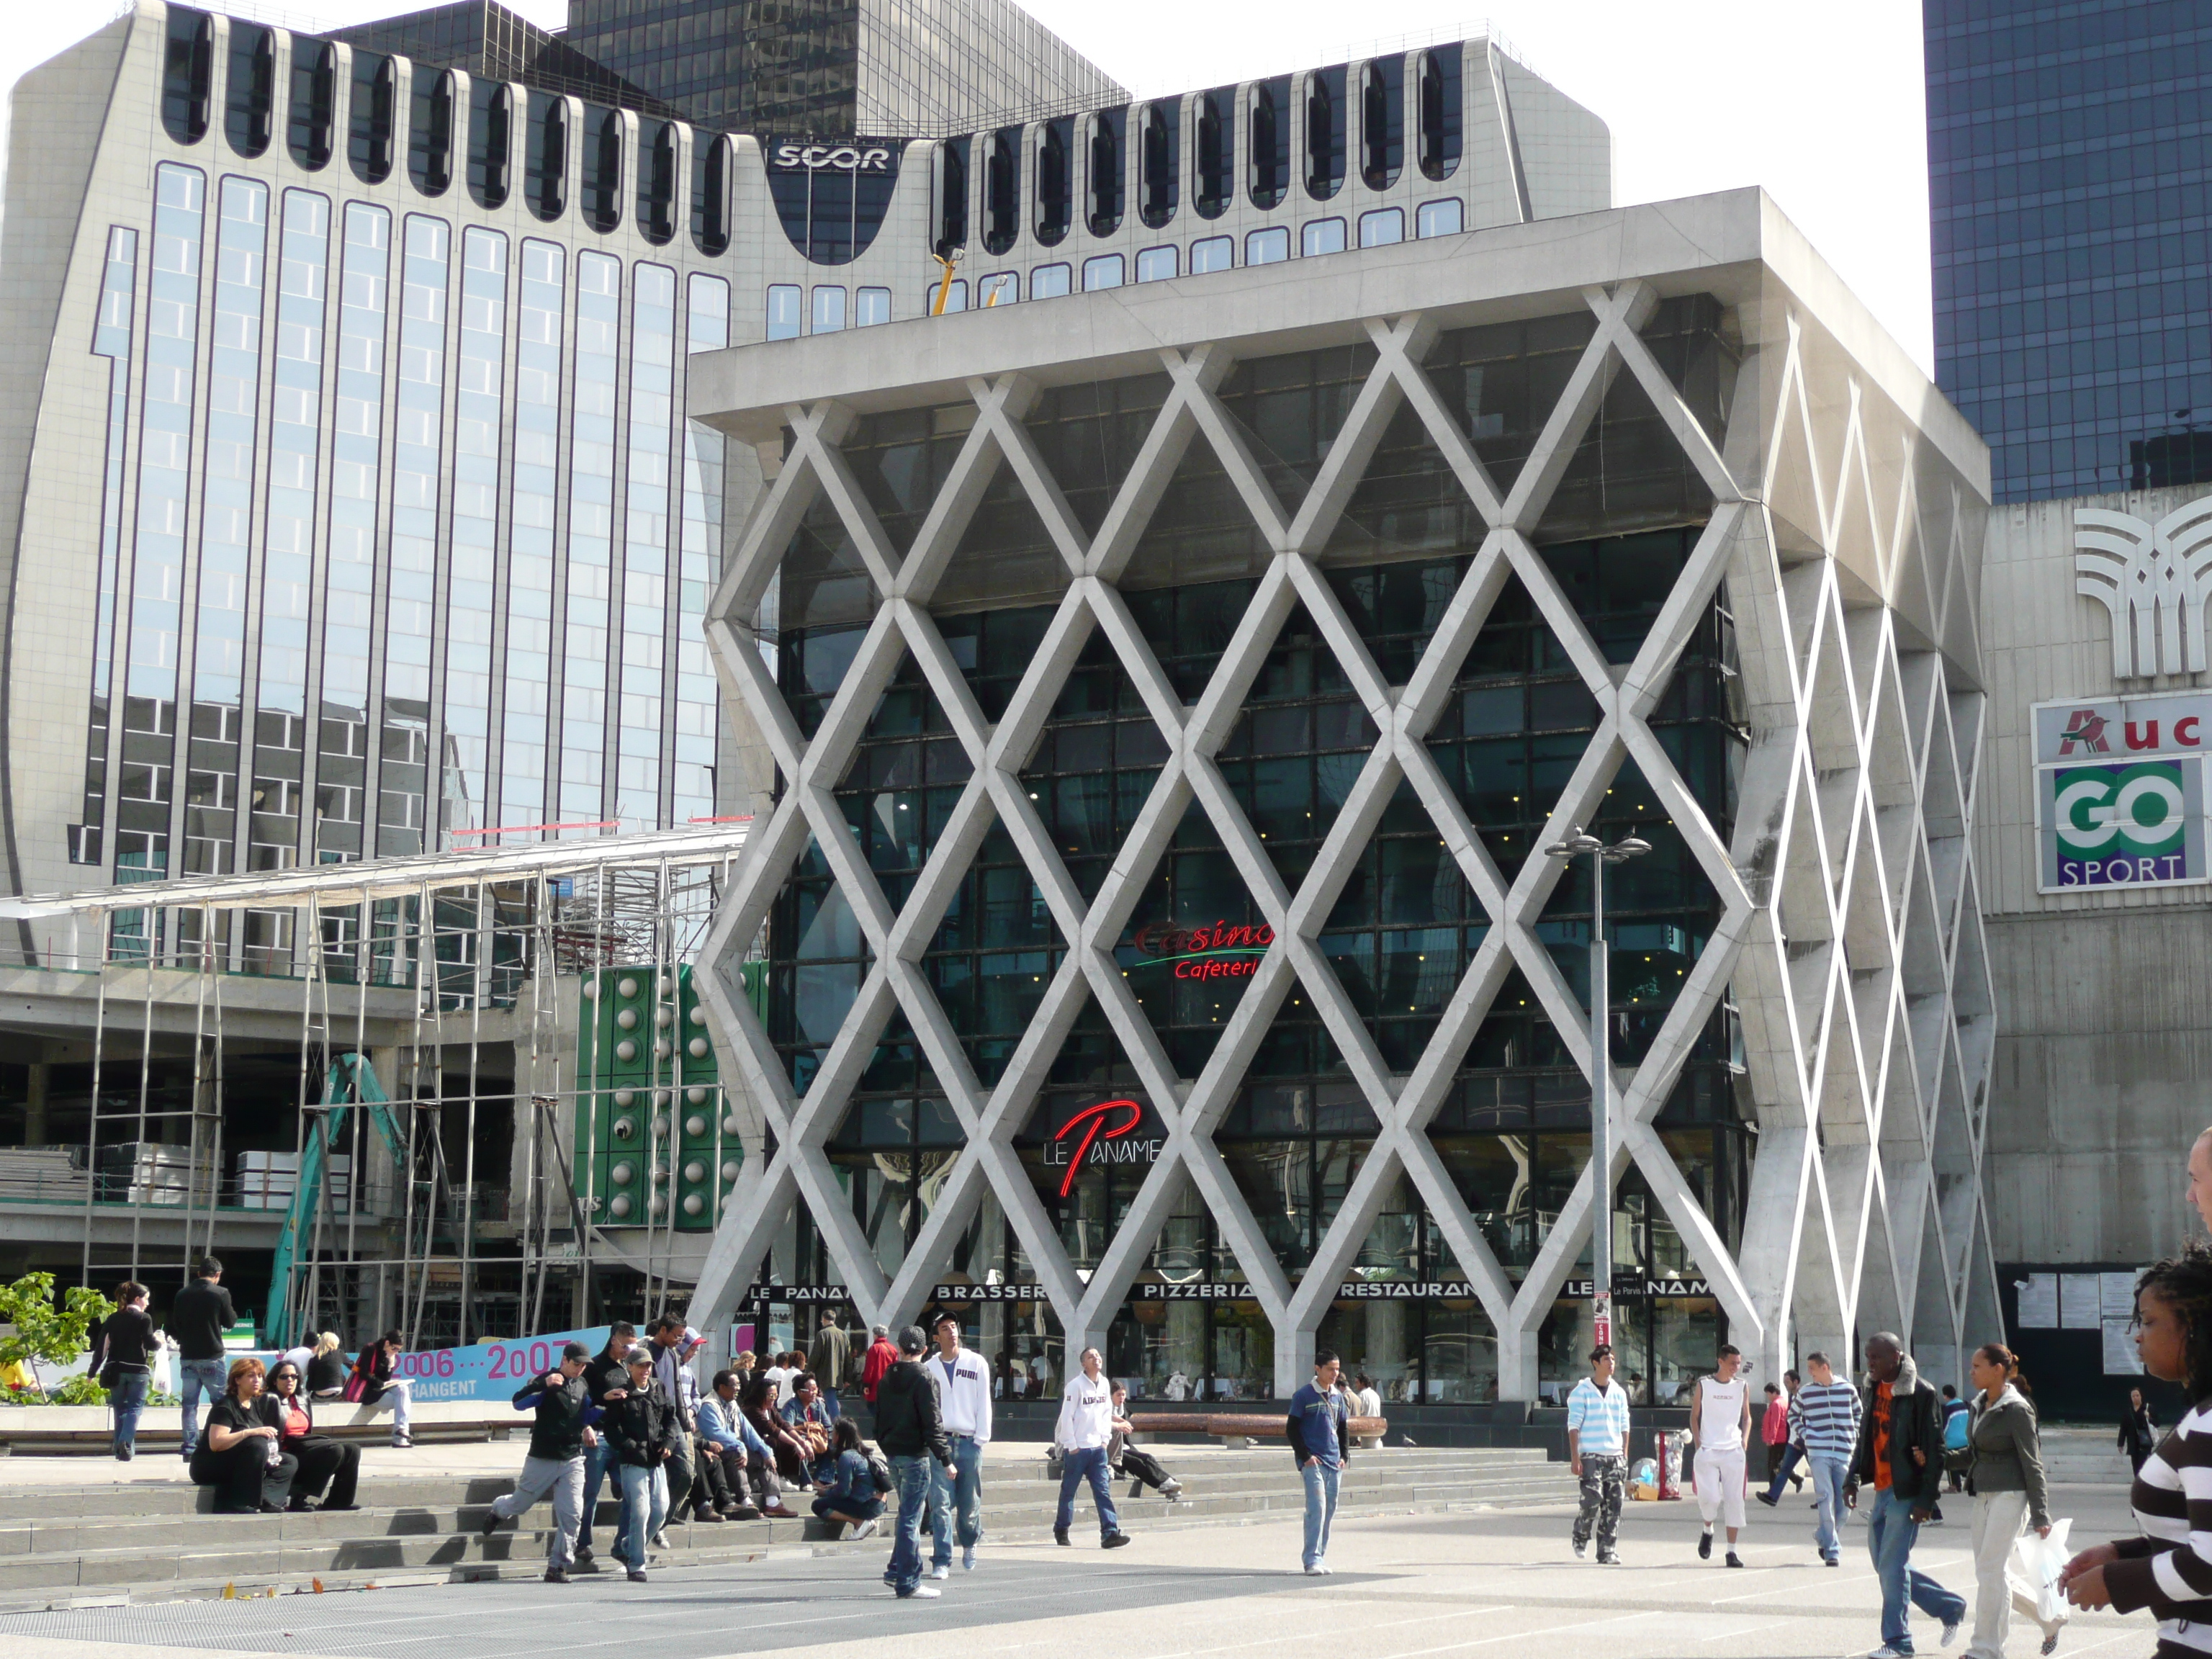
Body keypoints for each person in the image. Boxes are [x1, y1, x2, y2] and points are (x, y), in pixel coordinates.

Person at [2060, 1247, 2212, 1650]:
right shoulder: (2202, 1416)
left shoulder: (2208, 1425)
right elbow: (2196, 1532)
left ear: (2193, 1327)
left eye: (2148, 1321)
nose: (2137, 1334)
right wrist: (2122, 1553)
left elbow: (2210, 1562)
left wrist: (2116, 1582)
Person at [1845, 1331, 1966, 1658]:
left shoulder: (1920, 1392)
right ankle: (1950, 1607)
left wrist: (1927, 1500)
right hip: (1882, 1490)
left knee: (1893, 1566)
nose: (1870, 1363)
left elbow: (1936, 1449)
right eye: (1867, 1357)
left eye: (1877, 1357)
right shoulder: (1871, 1387)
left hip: (1907, 1492)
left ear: (1897, 1356)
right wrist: (1852, 1478)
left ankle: (1899, 1642)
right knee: (1887, 1565)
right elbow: (1865, 1437)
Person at [1961, 1341, 2063, 1659]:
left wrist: (2041, 1514)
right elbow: (1974, 1452)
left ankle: (1986, 1649)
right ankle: (2050, 1617)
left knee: (1991, 1570)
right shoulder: (1979, 1404)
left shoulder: (2017, 1409)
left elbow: (2033, 1463)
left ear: (1998, 1370)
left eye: (1978, 1366)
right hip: (1984, 1494)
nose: (1972, 1371)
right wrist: (1936, 1459)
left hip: (2011, 1495)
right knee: (1990, 1571)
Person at [481, 1341, 598, 1581]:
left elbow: (584, 1413)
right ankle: (498, 1510)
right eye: (576, 1364)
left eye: (584, 1365)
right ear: (564, 1360)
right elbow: (518, 1403)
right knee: (519, 1504)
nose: (580, 1369)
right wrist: (540, 1384)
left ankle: (558, 1566)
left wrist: (588, 1425)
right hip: (543, 1456)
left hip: (572, 1458)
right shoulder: (547, 1381)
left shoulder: (583, 1385)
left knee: (573, 1513)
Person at [874, 1323, 953, 1599]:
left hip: (893, 1452)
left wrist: (885, 1443)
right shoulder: (925, 1377)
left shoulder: (888, 1376)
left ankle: (897, 1569)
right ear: (924, 1349)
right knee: (911, 1517)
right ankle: (908, 1581)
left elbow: (878, 1415)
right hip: (914, 1454)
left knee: (906, 1513)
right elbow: (933, 1422)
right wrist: (946, 1458)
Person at [605, 1346, 681, 1583]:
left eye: (648, 1365)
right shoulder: (621, 1394)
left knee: (660, 1510)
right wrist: (629, 1445)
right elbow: (611, 1429)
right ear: (629, 1367)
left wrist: (669, 1441)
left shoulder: (659, 1388)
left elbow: (671, 1419)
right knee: (640, 1511)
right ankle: (637, 1564)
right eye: (640, 1366)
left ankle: (630, 1544)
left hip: (656, 1460)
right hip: (632, 1462)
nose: (645, 1370)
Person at [926, 1313, 993, 1577]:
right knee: (940, 1503)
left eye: (954, 1327)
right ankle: (941, 1559)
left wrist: (980, 1439)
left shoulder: (976, 1362)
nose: (952, 1332)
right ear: (936, 1337)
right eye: (945, 1328)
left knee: (968, 1503)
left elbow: (983, 1401)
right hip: (941, 1442)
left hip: (969, 1442)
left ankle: (970, 1541)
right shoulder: (929, 1366)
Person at [189, 1357, 296, 1514]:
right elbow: (216, 1443)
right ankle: (239, 1502)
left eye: (260, 1376)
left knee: (288, 1461)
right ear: (237, 1380)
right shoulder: (225, 1406)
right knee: (257, 1445)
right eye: (251, 1376)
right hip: (209, 1465)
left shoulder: (254, 1404)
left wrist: (272, 1455)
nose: (257, 1380)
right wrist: (249, 1432)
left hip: (240, 1461)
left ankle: (266, 1499)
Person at [572, 1321, 637, 1568]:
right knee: (589, 1492)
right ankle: (582, 1543)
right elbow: (579, 1401)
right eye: (624, 1346)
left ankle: (621, 1544)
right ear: (613, 1341)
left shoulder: (628, 1368)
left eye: (632, 1346)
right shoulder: (594, 1367)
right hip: (597, 1436)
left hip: (620, 1438)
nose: (627, 1351)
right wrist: (586, 1425)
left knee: (631, 1492)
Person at [1053, 1346, 1132, 1550]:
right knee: (1069, 1491)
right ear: (1083, 1363)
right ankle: (1061, 1529)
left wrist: (1105, 1439)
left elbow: (1107, 1413)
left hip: (1098, 1449)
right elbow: (1067, 1417)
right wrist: (1071, 1445)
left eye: (1098, 1355)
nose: (1096, 1359)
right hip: (1078, 1449)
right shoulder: (1075, 1386)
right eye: (1091, 1357)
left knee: (1103, 1491)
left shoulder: (1105, 1384)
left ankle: (1110, 1533)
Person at [1797, 1350, 1863, 1567]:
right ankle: (1833, 1550)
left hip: (1844, 1452)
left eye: (1812, 1369)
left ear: (1825, 1367)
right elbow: (1792, 1415)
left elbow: (1859, 1414)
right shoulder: (1806, 1392)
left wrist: (1854, 1435)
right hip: (1818, 1453)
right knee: (1825, 1498)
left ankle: (1823, 1536)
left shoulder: (1847, 1389)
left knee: (1846, 1503)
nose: (1809, 1373)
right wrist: (1807, 1435)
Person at [266, 1358, 360, 1513]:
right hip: (285, 1451)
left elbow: (308, 1433)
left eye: (294, 1376)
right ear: (275, 1381)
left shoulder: (302, 1400)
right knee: (334, 1450)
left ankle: (339, 1501)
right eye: (284, 1377)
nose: (289, 1380)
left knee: (352, 1449)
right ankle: (300, 1498)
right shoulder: (270, 1400)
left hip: (304, 1447)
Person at [1567, 1341, 1631, 1565]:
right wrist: (1576, 1458)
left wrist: (1624, 1453)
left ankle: (1607, 1551)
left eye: (1613, 1360)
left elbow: (1625, 1424)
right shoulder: (1581, 1392)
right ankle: (1580, 1535)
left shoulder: (1619, 1393)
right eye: (1606, 1360)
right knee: (1592, 1499)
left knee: (1614, 1505)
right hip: (1591, 1455)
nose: (1611, 1363)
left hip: (1615, 1456)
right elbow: (1573, 1426)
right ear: (1596, 1363)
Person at [1688, 1344, 1752, 1568]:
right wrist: (1699, 1444)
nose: (1737, 1367)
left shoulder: (1742, 1386)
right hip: (1708, 1450)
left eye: (1739, 1363)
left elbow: (1747, 1417)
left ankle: (1731, 1551)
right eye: (1733, 1362)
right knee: (1711, 1499)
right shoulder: (1704, 1385)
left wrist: (1744, 1441)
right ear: (1721, 1361)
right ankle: (1708, 1529)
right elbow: (1694, 1416)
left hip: (1734, 1451)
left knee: (1735, 1500)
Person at [1288, 1348, 1351, 1575]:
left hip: (1335, 1462)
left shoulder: (1338, 1396)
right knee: (1317, 1508)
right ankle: (1311, 1559)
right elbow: (1292, 1428)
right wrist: (1305, 1457)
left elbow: (1343, 1427)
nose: (1335, 1374)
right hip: (1313, 1461)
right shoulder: (1304, 1395)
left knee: (1330, 1509)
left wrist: (1344, 1456)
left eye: (1337, 1369)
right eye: (1330, 1369)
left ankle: (1321, 1556)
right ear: (1318, 1369)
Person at [696, 1367, 788, 1518]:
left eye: (739, 1385)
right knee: (736, 1455)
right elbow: (716, 1435)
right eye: (735, 1385)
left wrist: (766, 1451)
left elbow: (749, 1432)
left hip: (736, 1449)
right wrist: (740, 1447)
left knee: (764, 1454)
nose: (738, 1388)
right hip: (715, 1452)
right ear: (722, 1387)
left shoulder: (733, 1405)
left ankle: (772, 1503)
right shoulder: (708, 1405)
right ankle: (745, 1500)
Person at [172, 1255, 235, 1460]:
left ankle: (190, 1447)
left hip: (188, 1356)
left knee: (189, 1405)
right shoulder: (221, 1293)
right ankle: (218, 1442)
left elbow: (177, 1324)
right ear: (217, 1275)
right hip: (212, 1355)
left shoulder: (182, 1294)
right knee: (221, 1404)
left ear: (198, 1274)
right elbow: (231, 1322)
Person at [87, 1280, 155, 1460]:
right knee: (135, 1408)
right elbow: (150, 1343)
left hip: (115, 1370)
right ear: (138, 1299)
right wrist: (159, 1342)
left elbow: (102, 1347)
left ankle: (123, 1451)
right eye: (146, 1299)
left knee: (120, 1410)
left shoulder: (113, 1318)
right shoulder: (144, 1319)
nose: (148, 1303)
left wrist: (92, 1372)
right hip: (138, 1371)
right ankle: (125, 1442)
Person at [645, 1318, 701, 1529]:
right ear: (662, 1330)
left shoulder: (673, 1355)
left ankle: (661, 1522)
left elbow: (677, 1389)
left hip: (674, 1421)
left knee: (686, 1473)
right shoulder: (646, 1352)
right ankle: (651, 1523)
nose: (680, 1340)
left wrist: (684, 1420)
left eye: (682, 1336)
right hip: (651, 1422)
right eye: (677, 1335)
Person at [811, 1417, 884, 1539]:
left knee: (818, 1505)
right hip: (878, 1502)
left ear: (840, 1436)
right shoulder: (861, 1453)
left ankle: (859, 1523)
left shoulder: (847, 1457)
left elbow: (843, 1492)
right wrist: (834, 1486)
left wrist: (826, 1492)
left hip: (868, 1505)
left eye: (834, 1432)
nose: (832, 1436)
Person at [1109, 1382, 1183, 1500]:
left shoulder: (1124, 1412)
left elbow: (1126, 1440)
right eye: (1118, 1395)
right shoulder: (1105, 1411)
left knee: (1148, 1457)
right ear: (1111, 1396)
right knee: (1136, 1462)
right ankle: (1164, 1485)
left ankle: (1169, 1482)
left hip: (1124, 1448)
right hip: (1111, 1452)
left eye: (1123, 1395)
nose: (1122, 1398)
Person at [345, 1331, 414, 1448]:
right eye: (394, 1348)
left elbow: (386, 1378)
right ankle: (399, 1437)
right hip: (368, 1392)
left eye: (398, 1350)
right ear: (387, 1343)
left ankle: (401, 1430)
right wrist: (381, 1383)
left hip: (380, 1390)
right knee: (403, 1400)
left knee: (403, 1389)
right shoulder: (370, 1349)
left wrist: (390, 1364)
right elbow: (364, 1373)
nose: (396, 1352)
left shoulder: (389, 1355)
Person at [1758, 1369, 1809, 1507]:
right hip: (1792, 1441)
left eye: (1787, 1382)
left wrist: (1801, 1438)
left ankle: (1828, 1497)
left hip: (1804, 1440)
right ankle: (1772, 1496)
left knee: (1818, 1470)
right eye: (1784, 1382)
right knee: (1784, 1468)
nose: (1785, 1385)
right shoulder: (1790, 1397)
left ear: (1796, 1382)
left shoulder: (1803, 1396)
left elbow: (1806, 1418)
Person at [782, 1371, 837, 1483]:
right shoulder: (791, 1406)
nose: (815, 1393)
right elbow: (787, 1428)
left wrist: (827, 1439)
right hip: (803, 1443)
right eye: (811, 1390)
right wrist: (805, 1441)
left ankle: (820, 1479)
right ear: (800, 1392)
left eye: (816, 1389)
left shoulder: (818, 1404)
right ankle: (806, 1482)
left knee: (837, 1445)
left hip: (819, 1444)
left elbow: (829, 1428)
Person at [809, 1312, 852, 1420]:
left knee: (831, 1402)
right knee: (829, 1402)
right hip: (838, 1375)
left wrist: (808, 1373)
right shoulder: (843, 1335)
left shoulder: (822, 1334)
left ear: (824, 1319)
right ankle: (828, 1428)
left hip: (825, 1375)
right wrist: (848, 1377)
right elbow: (848, 1358)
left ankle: (839, 1426)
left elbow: (815, 1356)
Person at [1939, 1382, 1971, 1511]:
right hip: (1965, 1438)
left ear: (1946, 1396)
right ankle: (1971, 1482)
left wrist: (1941, 1438)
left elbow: (1945, 1426)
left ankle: (1954, 1485)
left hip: (1952, 1440)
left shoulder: (1948, 1409)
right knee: (1966, 1461)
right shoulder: (1964, 1405)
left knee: (1951, 1463)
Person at [2119, 1388, 2157, 1475]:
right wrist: (2120, 1443)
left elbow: (2157, 1423)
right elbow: (2123, 1428)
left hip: (2145, 1442)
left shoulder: (2148, 1408)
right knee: (2135, 1466)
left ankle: (2143, 1483)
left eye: (2137, 1395)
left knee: (2143, 1465)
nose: (2135, 1398)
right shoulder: (2128, 1411)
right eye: (2133, 1396)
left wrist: (2149, 1417)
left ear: (2141, 1396)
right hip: (2133, 1442)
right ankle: (2138, 1483)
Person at [862, 1324, 898, 1405]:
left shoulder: (874, 1348)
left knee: (872, 1407)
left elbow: (869, 1368)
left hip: (876, 1384)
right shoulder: (893, 1349)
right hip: (889, 1384)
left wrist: (866, 1384)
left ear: (875, 1335)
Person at [305, 1333, 348, 1398]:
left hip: (319, 1395)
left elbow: (310, 1381)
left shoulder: (314, 1359)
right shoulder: (339, 1353)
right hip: (337, 1393)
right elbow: (352, 1366)